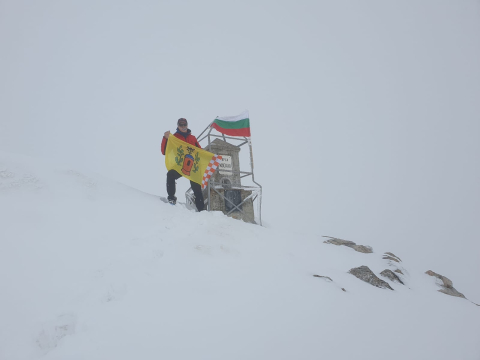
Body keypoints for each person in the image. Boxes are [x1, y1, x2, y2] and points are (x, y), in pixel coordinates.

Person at [161, 118, 205, 211]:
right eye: (181, 125)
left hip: (192, 166)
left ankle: (201, 209)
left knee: (197, 187)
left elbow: (200, 151)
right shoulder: (174, 138)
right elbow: (164, 151)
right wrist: (165, 138)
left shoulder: (192, 138)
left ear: (187, 125)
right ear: (178, 126)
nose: (183, 126)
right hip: (179, 165)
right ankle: (171, 198)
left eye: (185, 125)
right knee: (170, 175)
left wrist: (208, 157)